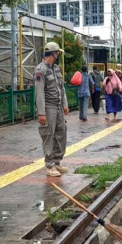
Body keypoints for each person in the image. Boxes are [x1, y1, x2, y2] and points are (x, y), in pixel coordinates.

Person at [34, 42, 69, 177]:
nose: (59, 55)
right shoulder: (40, 70)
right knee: (48, 135)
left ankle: (57, 161)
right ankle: (49, 165)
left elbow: (62, 88)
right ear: (53, 53)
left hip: (58, 106)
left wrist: (65, 104)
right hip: (48, 107)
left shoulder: (56, 69)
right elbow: (39, 93)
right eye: (58, 53)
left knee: (61, 133)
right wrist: (41, 113)